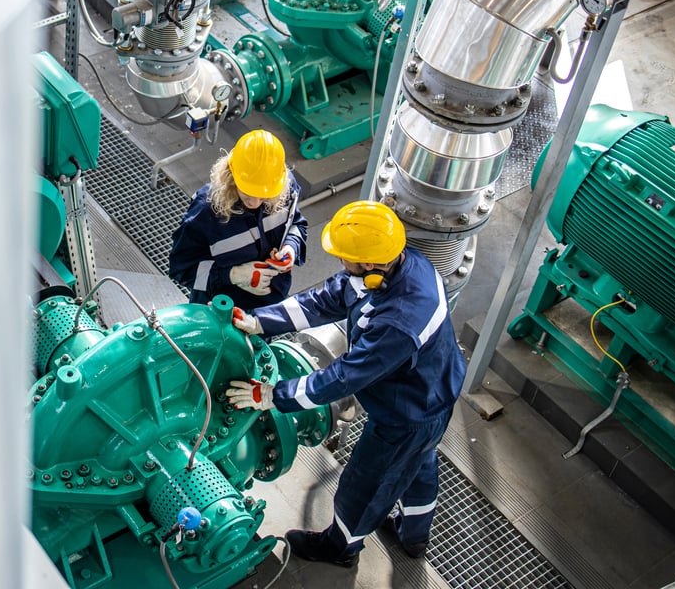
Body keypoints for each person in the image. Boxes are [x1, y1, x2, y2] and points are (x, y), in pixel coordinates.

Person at [224, 201, 465, 569]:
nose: (340, 263)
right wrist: (262, 321)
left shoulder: (399, 321)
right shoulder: (399, 262)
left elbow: (344, 377)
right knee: (417, 464)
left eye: (345, 257)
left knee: (367, 484)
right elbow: (329, 298)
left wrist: (274, 396)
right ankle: (414, 535)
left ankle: (341, 548)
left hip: (406, 413)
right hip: (435, 390)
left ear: (369, 263)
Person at [168, 129, 308, 311]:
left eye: (264, 197)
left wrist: (291, 247)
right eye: (248, 193)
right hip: (219, 310)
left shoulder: (283, 186)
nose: (255, 203)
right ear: (230, 175)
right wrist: (233, 275)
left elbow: (296, 224)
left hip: (269, 308)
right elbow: (181, 271)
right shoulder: (205, 212)